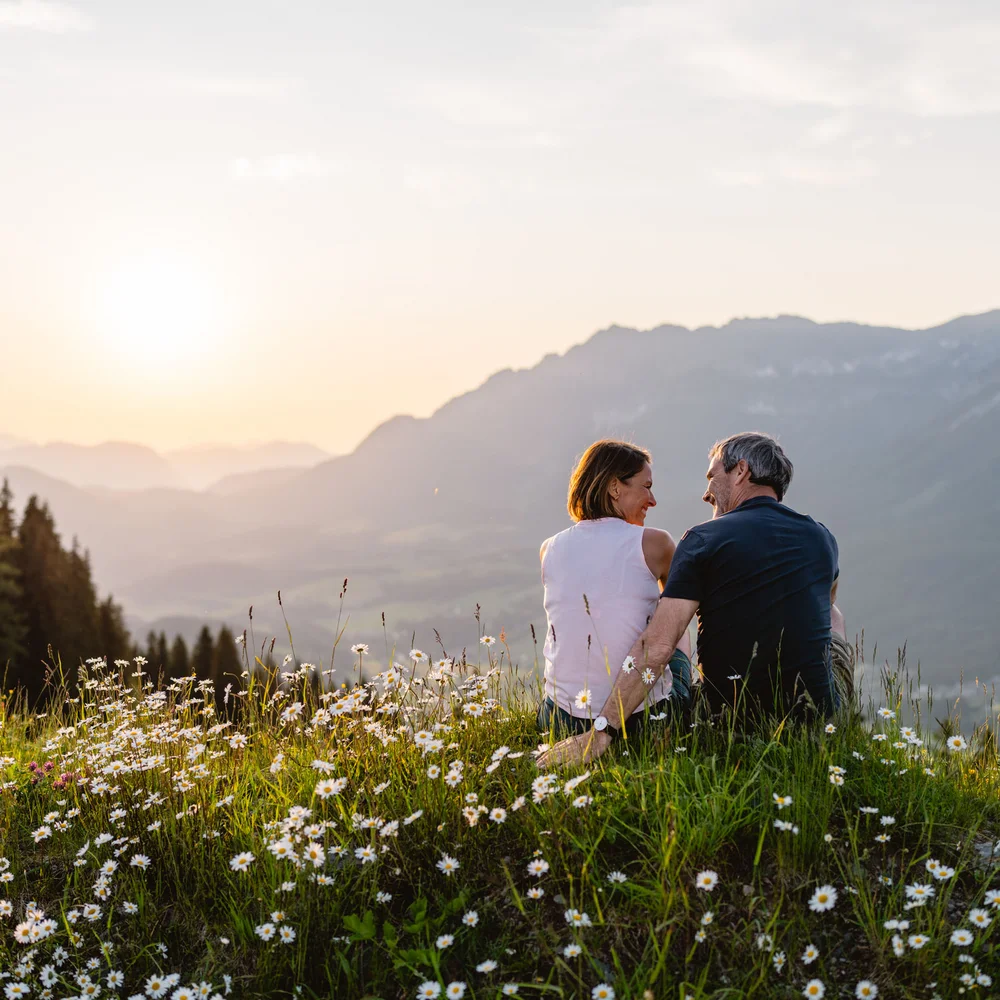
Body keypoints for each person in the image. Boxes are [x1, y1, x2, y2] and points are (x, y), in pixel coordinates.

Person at [537, 431, 852, 768]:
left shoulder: (703, 539)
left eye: (712, 476)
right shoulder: (821, 537)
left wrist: (604, 730)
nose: (706, 492)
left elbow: (658, 646)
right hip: (819, 724)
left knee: (675, 632)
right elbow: (825, 601)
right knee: (833, 615)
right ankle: (839, 721)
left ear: (741, 471)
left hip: (728, 723)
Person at [536, 439, 693, 740]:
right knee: (674, 619)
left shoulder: (549, 548)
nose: (652, 500)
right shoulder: (656, 543)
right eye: (646, 486)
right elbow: (674, 624)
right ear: (614, 488)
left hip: (559, 720)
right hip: (642, 720)